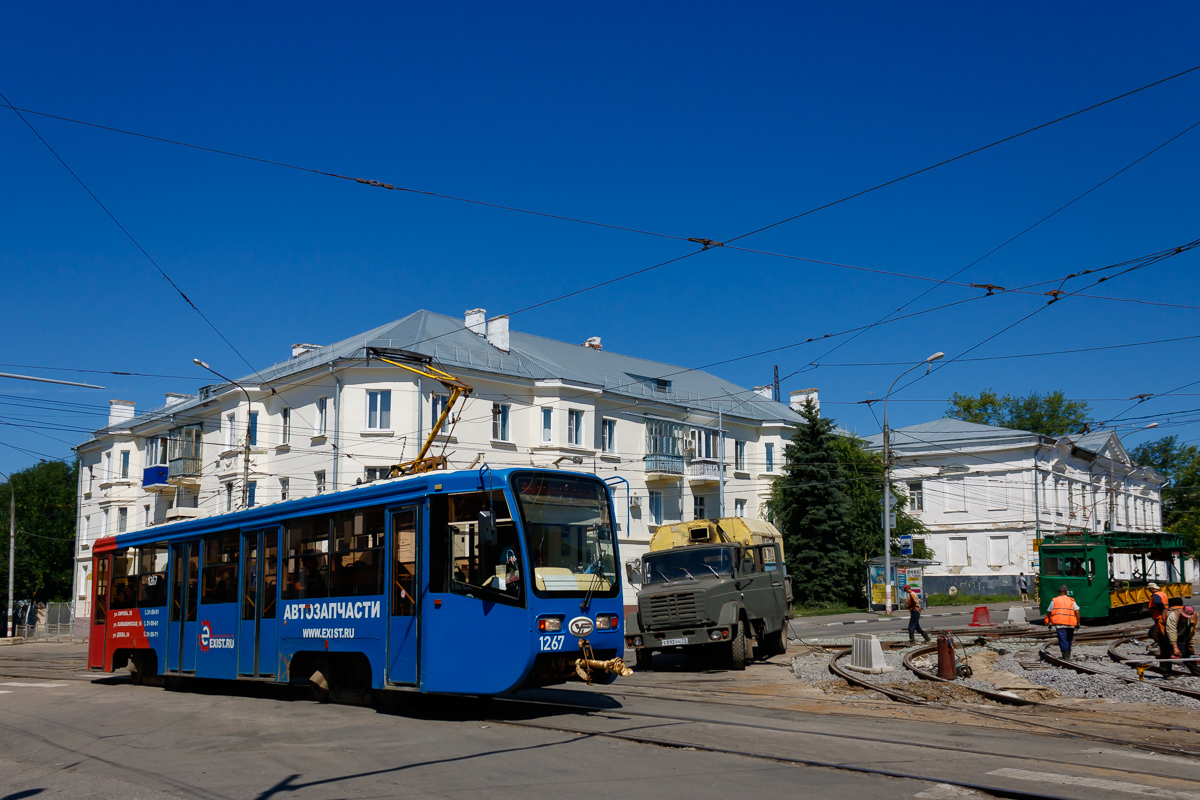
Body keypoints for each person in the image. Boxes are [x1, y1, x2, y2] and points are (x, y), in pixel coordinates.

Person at [1045, 584, 1080, 659]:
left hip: (1060, 624)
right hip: (1070, 623)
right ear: (1066, 592)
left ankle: (1065, 655)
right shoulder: (1071, 600)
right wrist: (1078, 623)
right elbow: (1077, 612)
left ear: (1058, 592)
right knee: (1069, 639)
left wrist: (1049, 623)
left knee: (1063, 640)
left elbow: (1050, 612)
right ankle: (1068, 654)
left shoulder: (1054, 600)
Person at [1166, 602, 1200, 678]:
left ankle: (1197, 672)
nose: (1185, 618)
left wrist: (1190, 645)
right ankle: (1167, 674)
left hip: (1180, 634)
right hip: (1165, 633)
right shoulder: (1173, 615)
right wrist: (1175, 646)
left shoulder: (1194, 616)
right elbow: (1171, 631)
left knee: (1187, 652)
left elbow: (1192, 631)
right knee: (1165, 652)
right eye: (1184, 616)